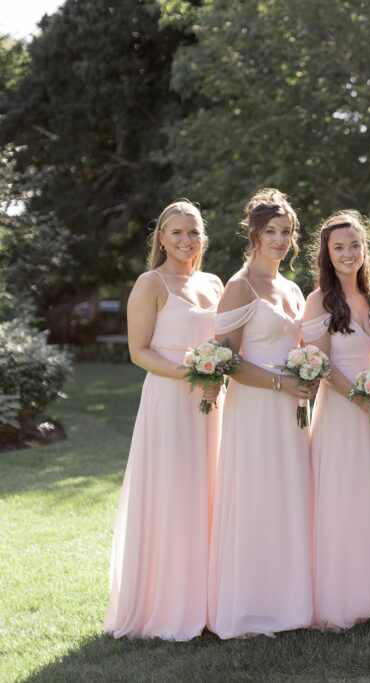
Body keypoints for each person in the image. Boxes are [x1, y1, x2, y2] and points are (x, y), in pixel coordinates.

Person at [105, 200, 223, 640]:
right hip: (171, 399)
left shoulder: (213, 282)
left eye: (193, 232)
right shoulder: (150, 283)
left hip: (213, 399)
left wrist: (217, 374)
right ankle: (169, 604)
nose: (186, 240)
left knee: (211, 493)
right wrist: (191, 373)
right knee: (176, 495)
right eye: (176, 232)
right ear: (161, 237)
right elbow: (139, 351)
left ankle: (211, 599)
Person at [208, 188, 316, 638]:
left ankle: (287, 603)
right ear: (253, 233)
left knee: (288, 499)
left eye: (286, 231)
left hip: (291, 411)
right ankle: (250, 608)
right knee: (255, 497)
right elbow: (226, 361)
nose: (279, 239)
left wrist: (306, 373)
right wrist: (280, 382)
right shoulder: (239, 287)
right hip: (255, 407)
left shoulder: (292, 288)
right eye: (271, 231)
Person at [302, 211, 370, 629]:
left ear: (364, 248)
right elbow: (319, 365)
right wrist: (359, 398)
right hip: (343, 410)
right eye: (339, 248)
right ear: (327, 255)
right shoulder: (319, 300)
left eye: (354, 245)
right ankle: (339, 598)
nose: (348, 253)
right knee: (342, 498)